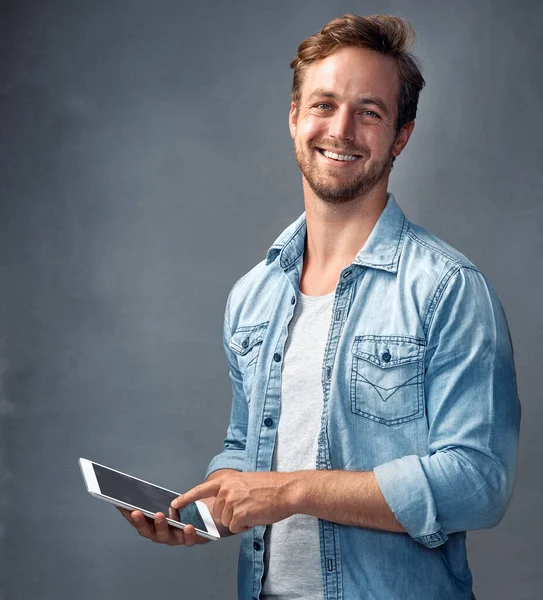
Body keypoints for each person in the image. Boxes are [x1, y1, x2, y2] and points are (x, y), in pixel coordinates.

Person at [119, 14, 520, 600]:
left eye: (370, 112)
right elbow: (245, 448)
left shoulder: (449, 288)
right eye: (324, 105)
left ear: (401, 136)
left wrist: (291, 492)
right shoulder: (252, 295)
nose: (342, 129)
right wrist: (212, 508)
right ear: (294, 118)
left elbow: (479, 482)